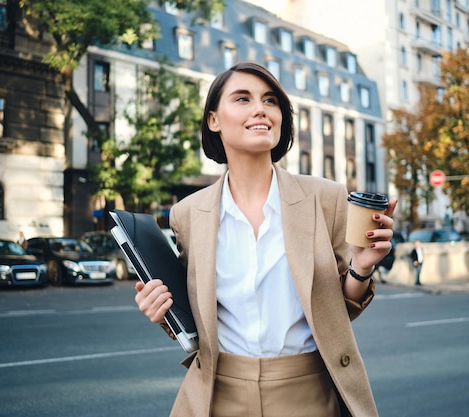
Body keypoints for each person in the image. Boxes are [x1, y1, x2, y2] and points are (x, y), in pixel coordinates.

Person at [134, 62, 397, 417]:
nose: (260, 108)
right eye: (243, 98)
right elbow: (196, 316)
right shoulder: (187, 213)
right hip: (219, 392)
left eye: (270, 100)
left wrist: (361, 269)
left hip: (309, 391)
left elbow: (338, 309)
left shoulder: (327, 198)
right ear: (214, 119)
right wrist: (162, 313)